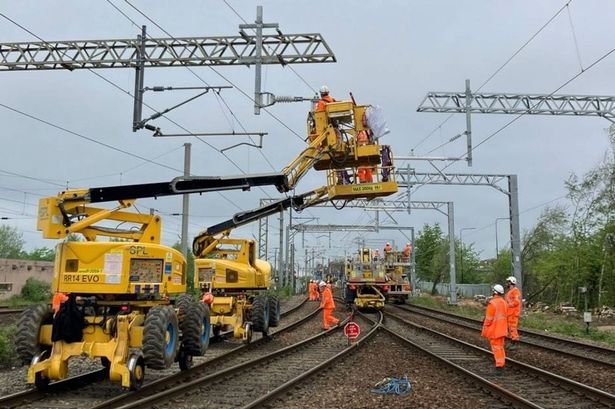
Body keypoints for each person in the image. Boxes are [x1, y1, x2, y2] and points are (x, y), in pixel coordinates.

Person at [481, 284, 508, 375]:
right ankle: (502, 364)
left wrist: (485, 328)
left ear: (494, 292)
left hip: (495, 330)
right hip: (503, 329)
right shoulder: (504, 302)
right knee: (500, 347)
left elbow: (488, 319)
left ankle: (499, 367)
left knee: (496, 348)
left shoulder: (492, 303)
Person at [505, 276, 521, 348]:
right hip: (509, 313)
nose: (507, 283)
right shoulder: (510, 291)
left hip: (513, 313)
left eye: (508, 282)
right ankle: (512, 342)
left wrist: (508, 305)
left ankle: (515, 343)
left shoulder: (515, 291)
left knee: (512, 328)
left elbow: (516, 302)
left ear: (511, 282)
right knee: (510, 328)